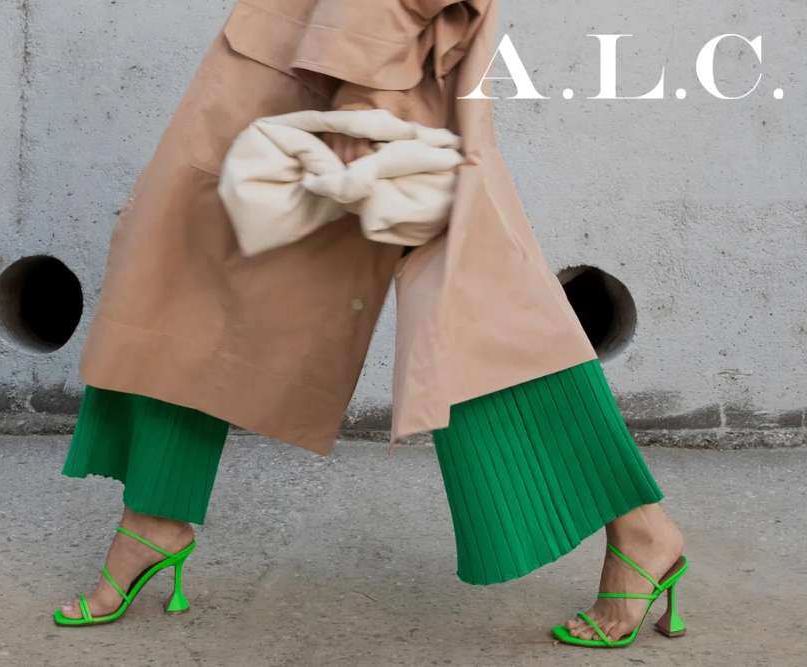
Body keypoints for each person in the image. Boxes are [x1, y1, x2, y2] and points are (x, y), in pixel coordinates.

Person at [54, 0, 687, 649]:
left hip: (361, 48)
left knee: (473, 304)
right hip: (309, 40)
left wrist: (362, 79)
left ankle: (639, 527)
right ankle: (153, 516)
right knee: (190, 262)